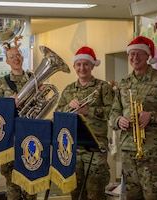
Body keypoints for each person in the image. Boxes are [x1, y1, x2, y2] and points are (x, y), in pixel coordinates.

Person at [110, 36, 157, 200]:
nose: (134, 58)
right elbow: (113, 113)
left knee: (153, 196)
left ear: (148, 56)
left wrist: (152, 116)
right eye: (131, 54)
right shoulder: (124, 82)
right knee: (132, 196)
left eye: (139, 54)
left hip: (154, 151)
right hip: (129, 149)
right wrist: (118, 120)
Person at [55, 46, 114, 200]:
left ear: (92, 65)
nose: (82, 68)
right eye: (79, 64)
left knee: (95, 191)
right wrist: (69, 107)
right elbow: (58, 113)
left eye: (86, 64)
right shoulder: (68, 90)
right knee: (76, 192)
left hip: (96, 145)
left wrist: (89, 111)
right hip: (72, 146)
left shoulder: (103, 87)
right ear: (74, 66)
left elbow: (113, 112)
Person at [0, 38, 37, 200]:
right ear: (7, 61)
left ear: (22, 58)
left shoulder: (34, 79)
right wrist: (8, 105)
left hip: (31, 135)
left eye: (18, 55)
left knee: (31, 184)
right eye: (12, 57)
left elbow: (42, 104)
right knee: (12, 186)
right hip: (10, 138)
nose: (16, 59)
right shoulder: (0, 83)